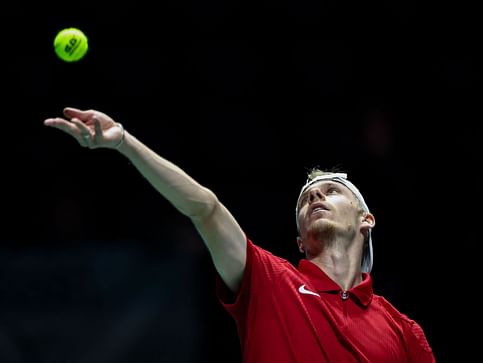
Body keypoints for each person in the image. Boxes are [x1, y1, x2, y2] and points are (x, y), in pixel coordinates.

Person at [44, 107, 436, 363]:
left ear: (366, 220)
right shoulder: (269, 282)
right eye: (306, 199)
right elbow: (205, 208)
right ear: (301, 241)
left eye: (332, 191)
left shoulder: (403, 331)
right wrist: (124, 143)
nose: (316, 195)